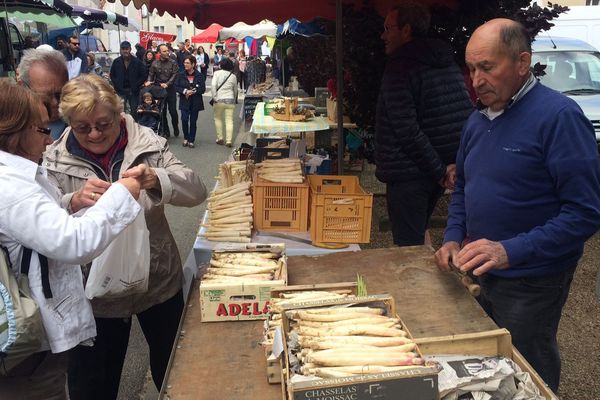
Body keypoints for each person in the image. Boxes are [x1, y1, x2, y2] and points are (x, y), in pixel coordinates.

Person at [434, 18, 600, 393]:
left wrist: (510, 250)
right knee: (485, 371)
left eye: (487, 67)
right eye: (471, 68)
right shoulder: (477, 120)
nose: (475, 80)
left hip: (532, 279)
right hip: (476, 271)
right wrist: (453, 236)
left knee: (527, 371)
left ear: (522, 63)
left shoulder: (560, 118)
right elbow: (463, 188)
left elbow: (585, 212)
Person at [43, 74, 208, 400]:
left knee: (176, 371)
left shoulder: (146, 144)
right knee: (93, 386)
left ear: (120, 114)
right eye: (82, 127)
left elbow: (196, 189)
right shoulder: (54, 159)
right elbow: (41, 223)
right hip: (94, 295)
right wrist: (71, 202)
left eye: (104, 124)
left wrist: (156, 178)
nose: (94, 134)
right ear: (69, 123)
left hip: (156, 281)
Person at [0, 80, 142, 400]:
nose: (50, 140)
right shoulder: (9, 186)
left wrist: (74, 203)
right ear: (14, 132)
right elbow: (71, 242)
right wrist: (122, 195)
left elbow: (48, 232)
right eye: (42, 130)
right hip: (26, 345)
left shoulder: (18, 176)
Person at [375, 2, 473, 247]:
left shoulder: (400, 67)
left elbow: (406, 130)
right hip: (434, 172)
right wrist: (444, 168)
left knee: (409, 247)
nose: (383, 35)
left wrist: (440, 171)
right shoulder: (444, 61)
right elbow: (460, 117)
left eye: (388, 28)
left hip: (410, 175)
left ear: (406, 30)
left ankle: (416, 287)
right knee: (419, 234)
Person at [17, 48, 69, 139]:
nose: (55, 103)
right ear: (23, 87)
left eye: (60, 94)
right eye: (45, 96)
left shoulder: (79, 121)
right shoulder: (10, 125)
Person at [145, 44, 180, 138]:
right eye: (164, 51)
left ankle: (175, 126)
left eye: (167, 50)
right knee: (162, 111)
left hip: (170, 89)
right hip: (159, 89)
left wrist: (168, 83)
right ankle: (166, 131)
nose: (167, 52)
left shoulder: (173, 62)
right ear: (159, 53)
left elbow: (175, 74)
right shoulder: (155, 63)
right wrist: (148, 81)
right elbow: (151, 75)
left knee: (172, 111)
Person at [110, 41, 147, 118]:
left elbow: (144, 75)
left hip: (133, 91)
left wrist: (136, 85)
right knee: (120, 112)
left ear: (130, 49)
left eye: (127, 49)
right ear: (120, 50)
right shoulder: (116, 61)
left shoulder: (137, 62)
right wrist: (117, 85)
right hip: (120, 91)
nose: (125, 51)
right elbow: (112, 75)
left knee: (134, 112)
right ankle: (122, 129)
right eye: (123, 49)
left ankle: (133, 127)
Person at [174, 55, 205, 148]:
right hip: (184, 101)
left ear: (193, 64)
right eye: (184, 63)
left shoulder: (199, 75)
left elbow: (202, 89)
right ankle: (186, 137)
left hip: (195, 101)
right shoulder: (181, 74)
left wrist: (193, 91)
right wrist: (184, 91)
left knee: (193, 121)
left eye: (187, 63)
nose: (185, 65)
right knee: (184, 119)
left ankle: (191, 140)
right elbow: (176, 86)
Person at [212, 57, 238, 147]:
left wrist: (214, 97)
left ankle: (220, 138)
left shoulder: (216, 73)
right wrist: (234, 99)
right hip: (230, 99)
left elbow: (213, 85)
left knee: (218, 118)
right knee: (229, 120)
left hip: (219, 99)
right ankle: (229, 140)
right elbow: (235, 90)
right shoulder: (233, 76)